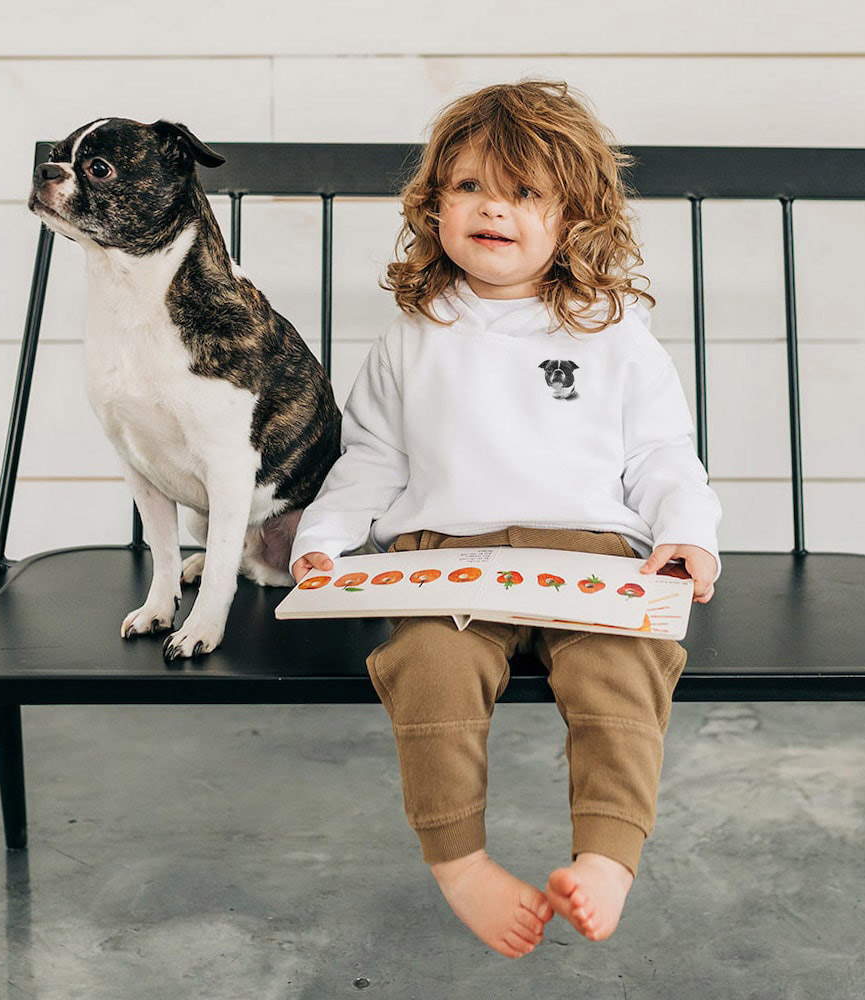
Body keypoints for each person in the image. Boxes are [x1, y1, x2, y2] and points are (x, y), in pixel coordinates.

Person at [289, 79, 721, 959]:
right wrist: (325, 542)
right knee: (427, 665)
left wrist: (684, 531)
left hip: (590, 558)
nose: (494, 208)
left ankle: (607, 858)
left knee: (624, 668)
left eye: (526, 192)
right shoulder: (416, 330)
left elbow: (664, 454)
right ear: (435, 204)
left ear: (574, 218)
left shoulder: (611, 329)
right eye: (471, 187)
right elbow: (373, 456)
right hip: (446, 557)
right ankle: (460, 864)